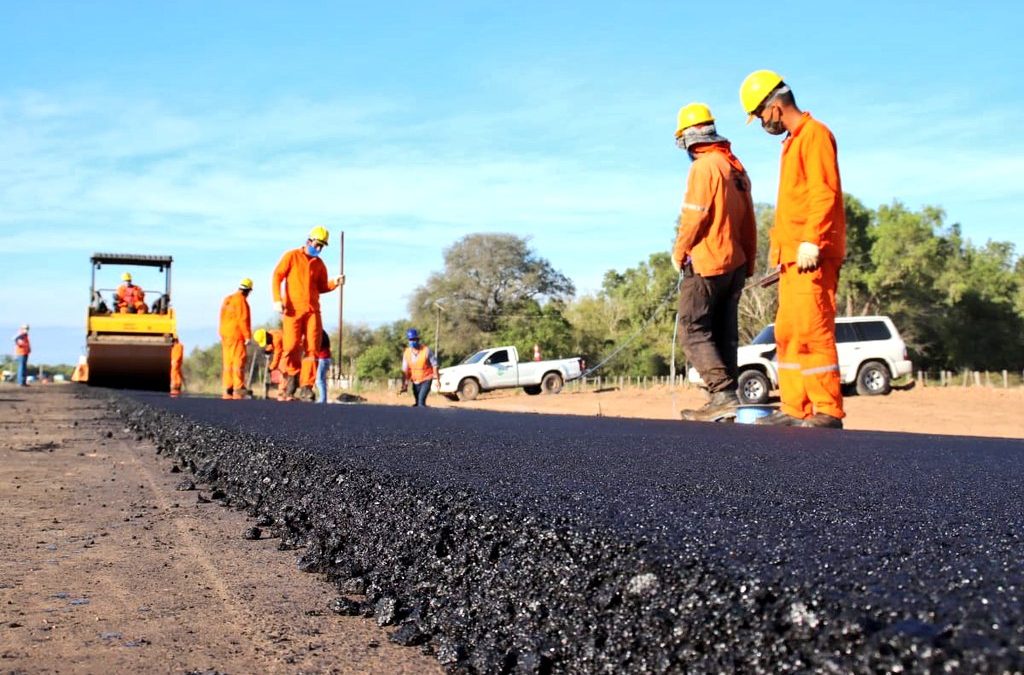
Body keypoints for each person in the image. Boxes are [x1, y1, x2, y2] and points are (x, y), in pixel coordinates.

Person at [740, 70, 846, 428]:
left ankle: (826, 409)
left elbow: (824, 191)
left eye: (759, 116)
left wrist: (812, 240)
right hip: (791, 258)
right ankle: (794, 407)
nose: (761, 124)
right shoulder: (792, 141)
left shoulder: (815, 134)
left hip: (811, 254)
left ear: (774, 106)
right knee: (787, 333)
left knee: (812, 329)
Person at [671, 103, 758, 422]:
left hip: (708, 262)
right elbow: (750, 221)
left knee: (693, 327)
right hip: (736, 264)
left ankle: (721, 395)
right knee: (724, 333)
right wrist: (748, 263)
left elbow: (694, 216)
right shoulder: (736, 168)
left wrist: (679, 253)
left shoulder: (704, 167)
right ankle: (726, 400)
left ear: (687, 139)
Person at [271, 226, 344, 401]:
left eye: (322, 246)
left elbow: (321, 287)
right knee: (291, 346)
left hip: (313, 311)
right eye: (317, 244)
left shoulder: (319, 264)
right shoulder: (291, 256)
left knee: (312, 349)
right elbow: (277, 276)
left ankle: (306, 386)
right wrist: (277, 299)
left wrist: (335, 282)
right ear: (309, 240)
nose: (318, 249)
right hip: (292, 311)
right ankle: (291, 378)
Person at [218, 278, 253, 399]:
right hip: (236, 335)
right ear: (248, 290)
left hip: (225, 334)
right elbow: (243, 319)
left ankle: (228, 386)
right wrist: (247, 336)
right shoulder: (241, 301)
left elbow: (222, 317)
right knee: (238, 360)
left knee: (228, 362)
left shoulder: (228, 299)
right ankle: (238, 386)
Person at [400, 328, 438, 407]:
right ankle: (421, 416)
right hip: (415, 381)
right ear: (408, 340)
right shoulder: (406, 353)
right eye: (411, 339)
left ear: (418, 339)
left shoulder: (426, 350)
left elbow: (435, 364)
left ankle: (423, 415)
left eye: (414, 339)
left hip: (426, 379)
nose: (412, 341)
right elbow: (404, 371)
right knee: (417, 402)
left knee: (421, 401)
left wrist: (437, 379)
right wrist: (404, 384)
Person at [254, 328, 285, 399]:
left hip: (286, 351)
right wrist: (268, 349)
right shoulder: (272, 333)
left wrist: (271, 367)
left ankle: (283, 391)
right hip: (283, 350)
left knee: (283, 369)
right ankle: (282, 391)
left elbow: (277, 354)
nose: (267, 343)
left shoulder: (277, 339)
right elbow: (272, 343)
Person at [314, 329, 332, 404]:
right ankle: (323, 398)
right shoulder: (325, 335)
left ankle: (322, 399)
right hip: (326, 358)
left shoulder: (319, 335)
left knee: (319, 380)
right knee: (322, 380)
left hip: (322, 358)